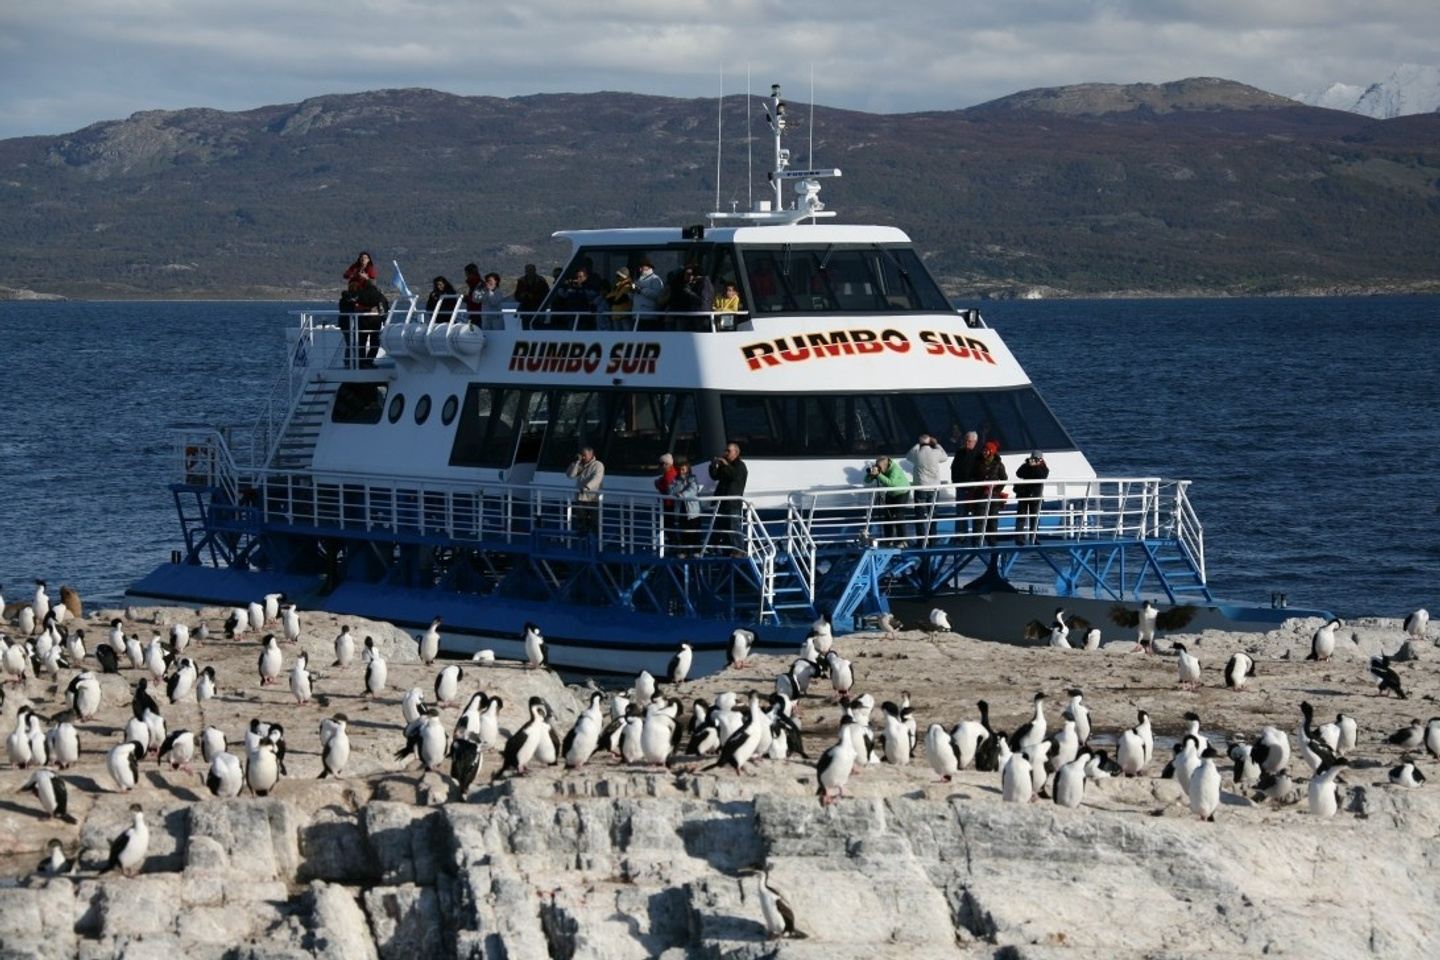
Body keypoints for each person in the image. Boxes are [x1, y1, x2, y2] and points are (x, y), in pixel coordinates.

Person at [905, 433, 947, 544]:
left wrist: (918, 444)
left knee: (919, 516)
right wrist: (937, 444)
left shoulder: (917, 453)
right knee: (932, 515)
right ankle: (933, 539)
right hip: (934, 489)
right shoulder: (936, 452)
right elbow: (945, 456)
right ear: (930, 443)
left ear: (920, 443)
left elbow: (908, 456)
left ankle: (921, 540)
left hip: (921, 488)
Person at [708, 441, 748, 553]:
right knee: (719, 526)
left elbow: (734, 475)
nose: (726, 453)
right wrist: (713, 465)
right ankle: (717, 548)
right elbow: (715, 476)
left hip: (732, 503)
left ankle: (739, 550)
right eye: (725, 451)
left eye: (728, 451)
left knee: (733, 527)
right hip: (722, 502)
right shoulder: (726, 465)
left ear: (736, 452)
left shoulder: (740, 466)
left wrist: (725, 464)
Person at [865, 455, 913, 545]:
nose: (878, 467)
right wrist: (871, 474)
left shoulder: (895, 469)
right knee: (887, 517)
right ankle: (888, 540)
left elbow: (891, 483)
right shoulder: (881, 469)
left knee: (898, 516)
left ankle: (902, 541)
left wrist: (879, 475)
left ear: (885, 465)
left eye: (879, 466)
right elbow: (866, 481)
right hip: (891, 493)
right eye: (877, 465)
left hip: (902, 492)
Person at [973, 440, 1009, 545]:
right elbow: (973, 476)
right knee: (979, 517)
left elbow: (1004, 479)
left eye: (986, 451)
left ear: (992, 451)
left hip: (993, 495)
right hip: (981, 494)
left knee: (992, 518)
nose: (984, 452)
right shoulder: (978, 463)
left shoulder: (998, 464)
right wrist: (977, 485)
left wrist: (996, 490)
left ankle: (992, 540)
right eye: (983, 450)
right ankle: (976, 540)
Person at [950, 430, 983, 541]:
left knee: (975, 512)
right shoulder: (959, 453)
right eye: (966, 441)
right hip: (961, 487)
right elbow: (954, 468)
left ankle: (976, 536)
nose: (967, 443)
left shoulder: (979, 454)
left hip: (974, 489)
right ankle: (961, 536)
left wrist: (975, 483)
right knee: (960, 513)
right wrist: (956, 482)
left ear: (975, 441)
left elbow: (980, 471)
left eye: (969, 441)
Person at [565, 447, 604, 537]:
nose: (582, 457)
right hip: (581, 498)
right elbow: (570, 475)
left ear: (591, 455)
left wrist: (587, 487)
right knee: (581, 522)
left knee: (594, 522)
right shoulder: (579, 464)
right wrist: (576, 462)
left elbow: (597, 478)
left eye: (584, 455)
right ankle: (582, 542)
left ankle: (595, 543)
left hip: (593, 499)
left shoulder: (598, 465)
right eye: (581, 455)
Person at [1013, 450, 1049, 544]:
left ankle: (1034, 537)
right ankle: (1019, 538)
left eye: (1037, 459)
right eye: (1034, 458)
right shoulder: (1026, 465)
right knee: (1021, 516)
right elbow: (1019, 473)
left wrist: (1035, 467)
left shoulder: (1043, 468)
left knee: (1034, 517)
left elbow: (1042, 476)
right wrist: (1028, 464)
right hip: (1024, 493)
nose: (1035, 460)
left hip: (1035, 495)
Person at [668, 458, 702, 554]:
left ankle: (696, 551)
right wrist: (680, 486)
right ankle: (685, 551)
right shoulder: (676, 480)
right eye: (679, 469)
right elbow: (670, 491)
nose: (681, 471)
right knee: (683, 532)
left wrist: (682, 494)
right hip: (681, 510)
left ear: (688, 469)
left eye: (683, 469)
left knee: (695, 532)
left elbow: (693, 489)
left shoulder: (693, 478)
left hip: (693, 511)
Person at [353, 277, 389, 367]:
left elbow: (353, 305)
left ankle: (361, 362)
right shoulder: (379, 295)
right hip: (375, 322)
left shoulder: (359, 294)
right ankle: (369, 361)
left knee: (361, 343)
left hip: (361, 321)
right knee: (374, 343)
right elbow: (384, 308)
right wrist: (384, 319)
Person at [631, 260, 666, 330]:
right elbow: (634, 297)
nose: (640, 269)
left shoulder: (656, 279)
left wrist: (641, 290)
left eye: (642, 267)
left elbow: (657, 295)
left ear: (650, 268)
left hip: (649, 316)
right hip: (637, 315)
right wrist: (631, 292)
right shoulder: (637, 280)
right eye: (639, 267)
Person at [653, 452, 678, 548]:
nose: (660, 467)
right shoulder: (673, 472)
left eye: (661, 464)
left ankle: (674, 544)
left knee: (668, 525)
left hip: (668, 504)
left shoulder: (668, 475)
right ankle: (674, 543)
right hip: (672, 504)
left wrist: (658, 485)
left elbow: (668, 491)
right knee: (670, 525)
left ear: (666, 464)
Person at [337, 278, 362, 365]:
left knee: (350, 343)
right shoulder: (347, 300)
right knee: (351, 343)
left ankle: (349, 361)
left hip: (345, 323)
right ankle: (350, 361)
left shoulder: (343, 300)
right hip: (348, 323)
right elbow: (352, 303)